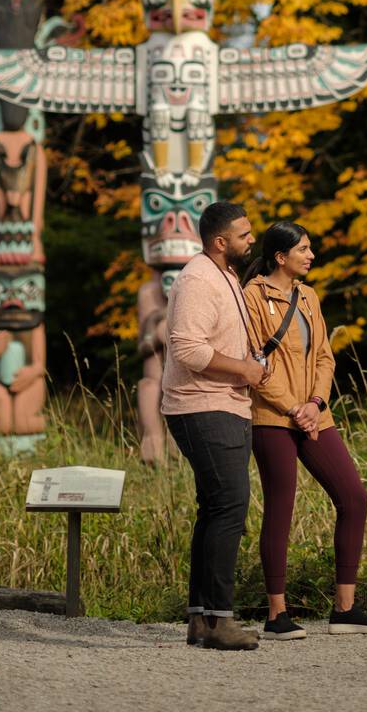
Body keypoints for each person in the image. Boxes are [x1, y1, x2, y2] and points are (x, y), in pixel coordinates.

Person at [242, 220, 367, 640]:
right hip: (272, 416)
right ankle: (277, 615)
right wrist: (292, 406)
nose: (311, 256)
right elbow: (256, 363)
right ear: (280, 256)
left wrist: (314, 405)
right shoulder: (252, 297)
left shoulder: (308, 296)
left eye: (310, 249)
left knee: (353, 496)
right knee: (281, 506)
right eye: (304, 249)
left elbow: (325, 357)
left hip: (314, 414)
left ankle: (344, 609)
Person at [162, 200, 268, 650]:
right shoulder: (198, 279)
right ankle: (220, 620)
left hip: (221, 405)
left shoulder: (223, 275)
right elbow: (187, 349)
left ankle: (201, 621)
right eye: (244, 234)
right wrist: (243, 370)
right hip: (202, 406)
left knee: (215, 509)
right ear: (220, 242)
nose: (252, 240)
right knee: (229, 506)